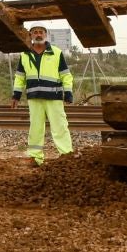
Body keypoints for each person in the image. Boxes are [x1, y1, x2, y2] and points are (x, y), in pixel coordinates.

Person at [12, 25, 74, 164]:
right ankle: (35, 157)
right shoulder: (24, 55)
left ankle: (66, 156)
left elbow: (66, 75)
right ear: (31, 36)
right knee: (35, 128)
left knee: (60, 127)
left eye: (41, 32)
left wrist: (68, 92)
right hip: (34, 97)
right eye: (35, 32)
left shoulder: (56, 53)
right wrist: (16, 95)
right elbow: (20, 77)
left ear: (46, 35)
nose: (38, 34)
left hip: (54, 97)